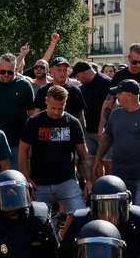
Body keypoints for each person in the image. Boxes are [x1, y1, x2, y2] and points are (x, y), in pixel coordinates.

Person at [18, 85, 92, 217]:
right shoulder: (34, 122)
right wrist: (26, 179)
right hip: (39, 183)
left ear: (65, 103)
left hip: (67, 181)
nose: (57, 112)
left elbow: (84, 154)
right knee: (38, 221)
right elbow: (23, 151)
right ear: (46, 101)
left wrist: (89, 180)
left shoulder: (73, 123)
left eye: (61, 108)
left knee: (81, 215)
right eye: (53, 108)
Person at [94, 80, 140, 211]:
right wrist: (98, 159)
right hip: (119, 173)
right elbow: (107, 138)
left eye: (119, 93)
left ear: (129, 95)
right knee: (120, 212)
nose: (117, 97)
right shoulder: (115, 114)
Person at [58, 175, 140, 258]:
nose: (110, 216)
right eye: (103, 209)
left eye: (115, 208)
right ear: (93, 207)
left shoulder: (136, 219)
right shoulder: (81, 221)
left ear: (125, 206)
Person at [72, 60, 111, 160]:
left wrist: (102, 127)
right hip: (88, 133)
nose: (78, 80)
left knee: (107, 162)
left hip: (104, 133)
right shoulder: (82, 87)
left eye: (78, 76)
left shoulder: (106, 82)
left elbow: (110, 107)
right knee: (90, 162)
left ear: (86, 72)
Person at [33, 56, 86, 124]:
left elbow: (81, 117)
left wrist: (82, 132)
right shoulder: (43, 90)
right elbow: (36, 115)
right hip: (47, 132)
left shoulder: (75, 91)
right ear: (51, 71)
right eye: (59, 70)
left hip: (69, 132)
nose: (62, 73)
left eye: (65, 70)